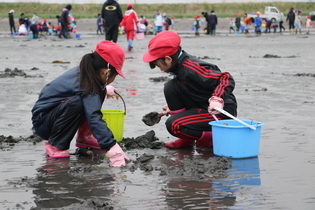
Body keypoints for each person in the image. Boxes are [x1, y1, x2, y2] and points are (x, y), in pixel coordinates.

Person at [31, 41, 130, 167]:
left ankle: (84, 137)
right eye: (114, 76)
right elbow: (94, 115)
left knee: (95, 93)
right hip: (44, 122)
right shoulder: (86, 82)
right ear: (107, 72)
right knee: (79, 102)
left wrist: (104, 89)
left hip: (53, 115)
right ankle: (55, 145)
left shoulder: (88, 73)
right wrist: (111, 145)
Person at [142, 31, 237, 149]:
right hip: (201, 105)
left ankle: (210, 137)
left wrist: (217, 99)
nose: (159, 69)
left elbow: (225, 78)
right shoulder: (178, 68)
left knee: (174, 125)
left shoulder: (191, 68)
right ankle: (187, 138)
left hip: (219, 112)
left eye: (158, 64)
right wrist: (171, 107)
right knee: (170, 87)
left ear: (168, 59)